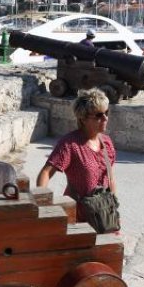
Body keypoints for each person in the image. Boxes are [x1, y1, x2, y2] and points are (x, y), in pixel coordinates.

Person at [36, 88, 117, 224]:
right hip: (77, 215)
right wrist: (41, 202)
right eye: (98, 115)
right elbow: (46, 172)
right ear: (83, 119)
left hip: (103, 216)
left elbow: (111, 179)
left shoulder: (107, 143)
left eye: (106, 113)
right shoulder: (70, 144)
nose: (105, 118)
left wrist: (112, 207)